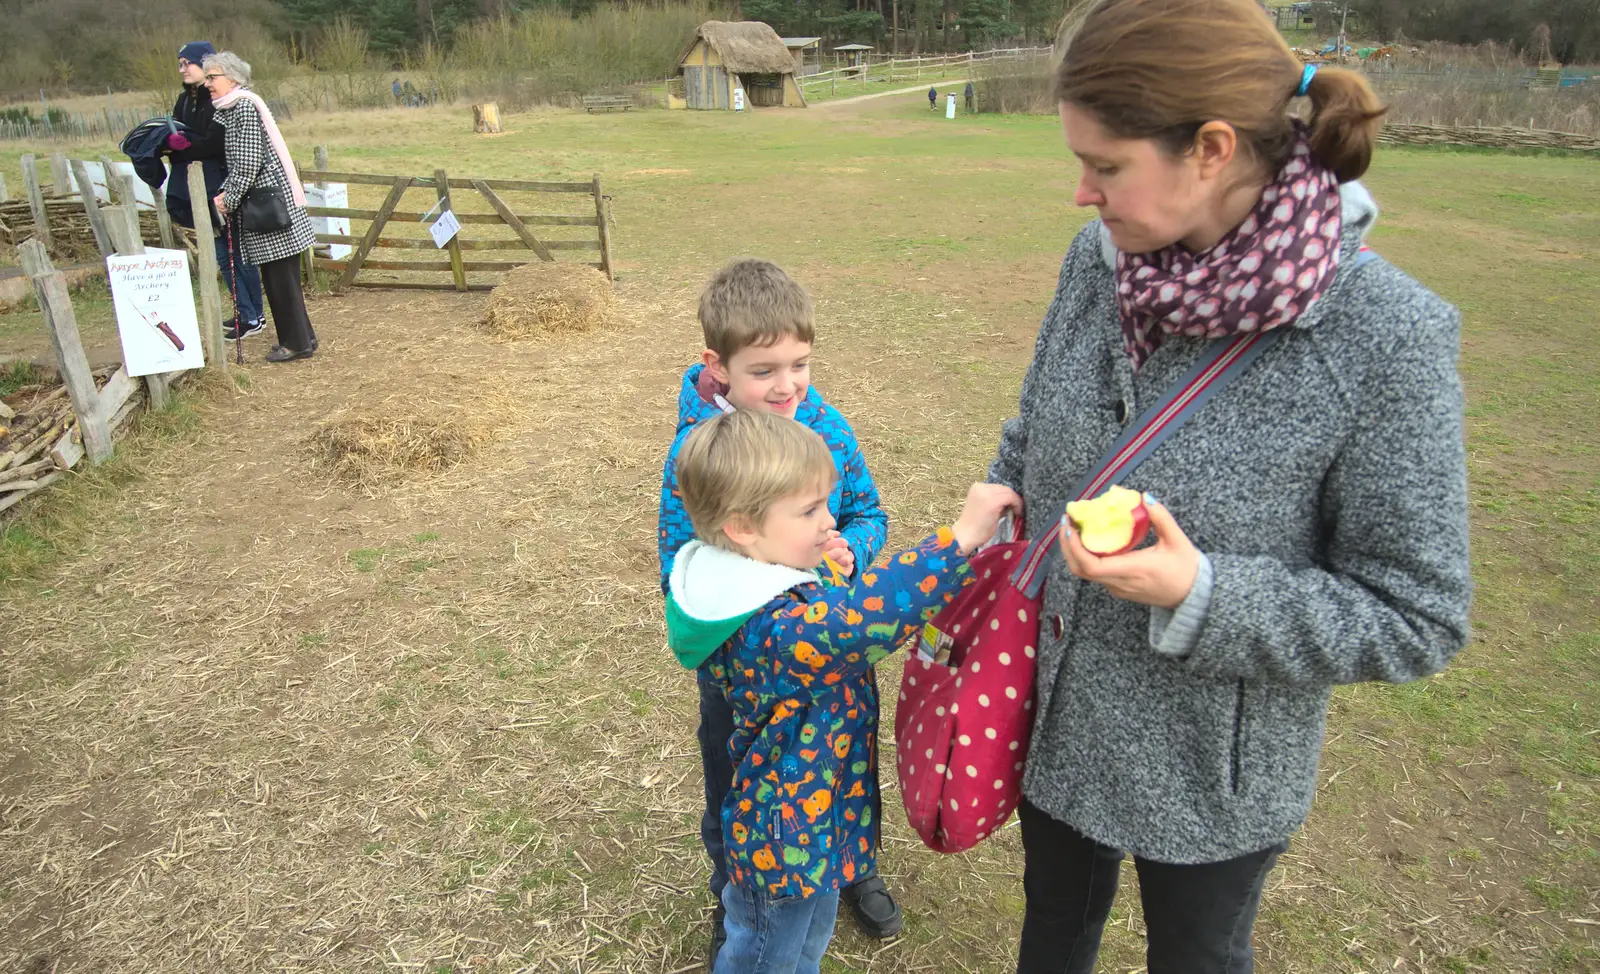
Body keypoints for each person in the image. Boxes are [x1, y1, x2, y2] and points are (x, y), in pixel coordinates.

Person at [986, 0, 1473, 971]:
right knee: (1050, 936)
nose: (1082, 194)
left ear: (1210, 147)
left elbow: (1418, 612)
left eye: (1107, 164)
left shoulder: (1387, 337)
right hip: (1060, 717)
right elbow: (1039, 424)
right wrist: (997, 487)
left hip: (1215, 774)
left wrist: (1203, 596)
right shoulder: (1098, 262)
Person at [666, 408, 1020, 974]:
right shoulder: (767, 626)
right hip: (784, 839)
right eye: (809, 510)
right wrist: (958, 543)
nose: (831, 520)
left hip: (820, 817)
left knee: (806, 945)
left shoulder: (767, 572)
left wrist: (821, 562)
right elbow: (855, 623)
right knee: (764, 955)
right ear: (742, 527)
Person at [657, 259, 897, 965]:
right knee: (735, 772)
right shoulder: (699, 449)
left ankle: (853, 868)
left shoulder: (823, 423)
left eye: (800, 365)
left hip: (826, 645)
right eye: (765, 370)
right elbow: (681, 561)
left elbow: (867, 511)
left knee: (838, 760)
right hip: (750, 663)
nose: (787, 386)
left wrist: (849, 544)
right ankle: (738, 893)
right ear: (719, 366)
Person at [205, 52, 319, 363]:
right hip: (268, 203)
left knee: (279, 278)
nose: (208, 84)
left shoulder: (242, 108)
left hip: (267, 206)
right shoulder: (240, 107)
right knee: (281, 277)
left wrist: (228, 198)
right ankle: (302, 336)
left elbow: (248, 163)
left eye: (212, 77)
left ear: (233, 78)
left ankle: (297, 344)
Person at [165, 41, 265, 342]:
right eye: (180, 63)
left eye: (188, 63)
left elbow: (215, 142)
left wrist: (186, 147)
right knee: (224, 252)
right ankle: (246, 311)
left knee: (232, 251)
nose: (183, 69)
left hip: (219, 183)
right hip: (197, 182)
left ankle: (251, 315)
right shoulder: (185, 101)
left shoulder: (220, 102)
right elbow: (179, 133)